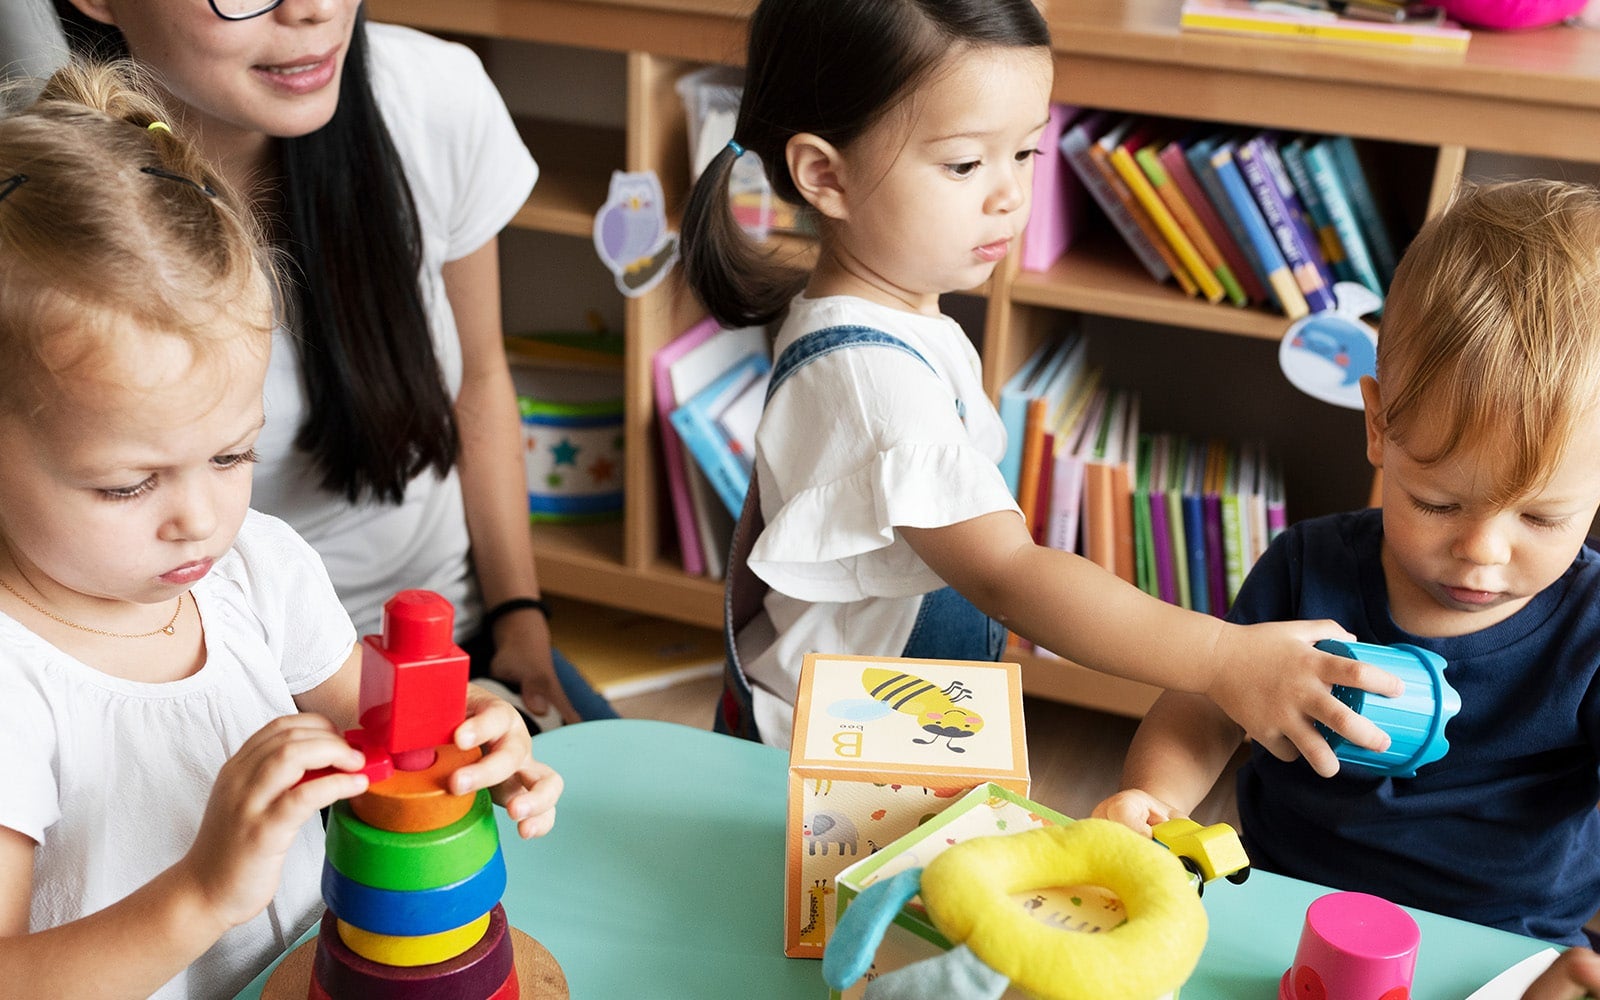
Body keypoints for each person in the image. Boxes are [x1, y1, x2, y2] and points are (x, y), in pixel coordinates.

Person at [679, 0, 1405, 758]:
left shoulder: (890, 321)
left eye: (1025, 154)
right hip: (820, 763)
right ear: (825, 175)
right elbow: (1008, 574)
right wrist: (1225, 659)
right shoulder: (872, 378)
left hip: (887, 729)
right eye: (965, 163)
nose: (1009, 195)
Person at [0, 61, 561, 999]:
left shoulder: (257, 567)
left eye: (231, 457)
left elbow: (376, 737)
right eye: (127, 484)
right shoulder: (16, 684)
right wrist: (204, 892)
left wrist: (466, 747)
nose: (200, 517)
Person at [52, 0, 618, 729]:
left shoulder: (435, 95)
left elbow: (479, 380)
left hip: (438, 639)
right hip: (205, 679)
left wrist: (520, 620)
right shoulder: (48, 227)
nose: (315, 9)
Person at [1094, 179, 1600, 946]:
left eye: (1541, 516)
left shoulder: (1588, 631)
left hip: (1503, 942)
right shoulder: (1310, 566)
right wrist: (1151, 797)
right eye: (1437, 502)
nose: (1482, 551)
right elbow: (1204, 706)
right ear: (1378, 424)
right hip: (1280, 907)